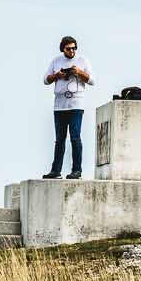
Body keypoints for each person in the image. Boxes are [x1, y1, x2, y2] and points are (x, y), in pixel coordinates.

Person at [41, 36, 92, 179]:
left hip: (76, 106)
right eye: (69, 48)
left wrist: (79, 72)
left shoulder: (82, 61)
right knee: (59, 139)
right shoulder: (56, 61)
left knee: (75, 137)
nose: (72, 51)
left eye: (74, 48)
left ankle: (77, 170)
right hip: (59, 107)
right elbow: (45, 80)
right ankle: (56, 171)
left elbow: (92, 80)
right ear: (63, 49)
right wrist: (57, 75)